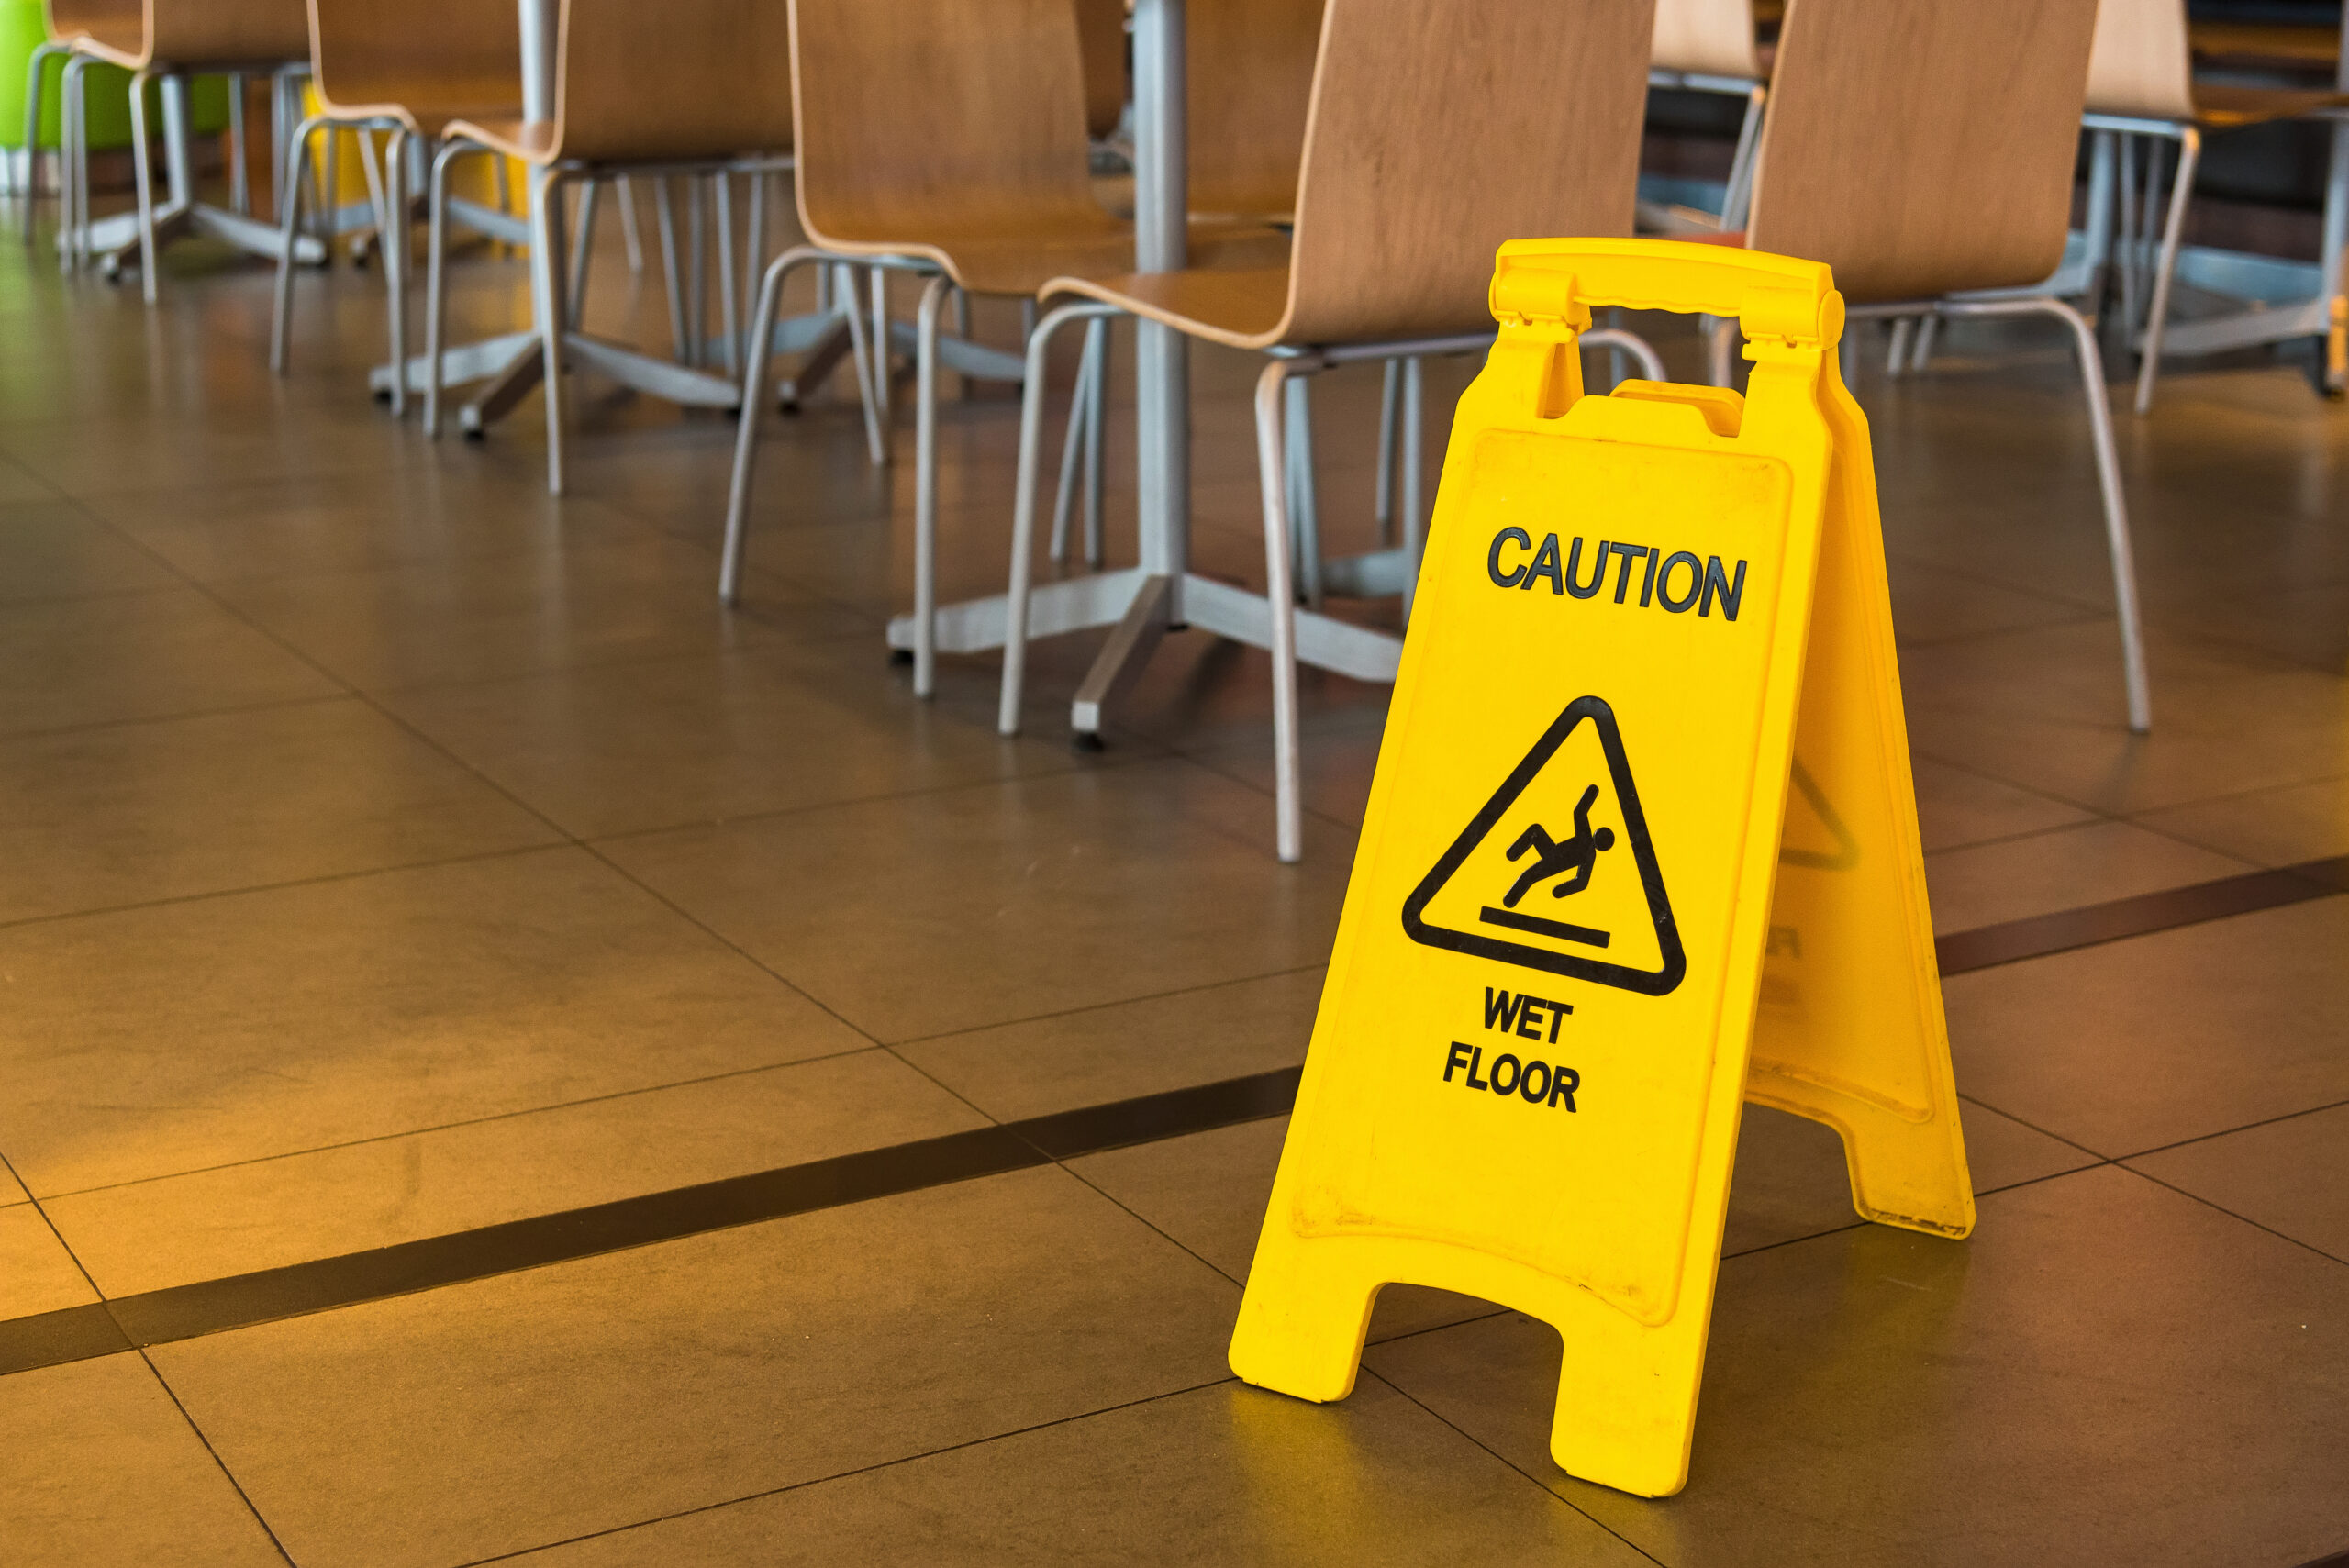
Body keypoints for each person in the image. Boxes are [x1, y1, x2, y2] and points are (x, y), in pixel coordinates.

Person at [1502, 784, 1616, 907]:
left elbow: (1579, 813)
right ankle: (1512, 854)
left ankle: (1509, 899)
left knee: (1529, 874)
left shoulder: (1588, 847)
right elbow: (1579, 813)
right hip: (1552, 852)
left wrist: (1560, 891)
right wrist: (1560, 891)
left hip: (1552, 864)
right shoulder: (1588, 846)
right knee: (1535, 834)